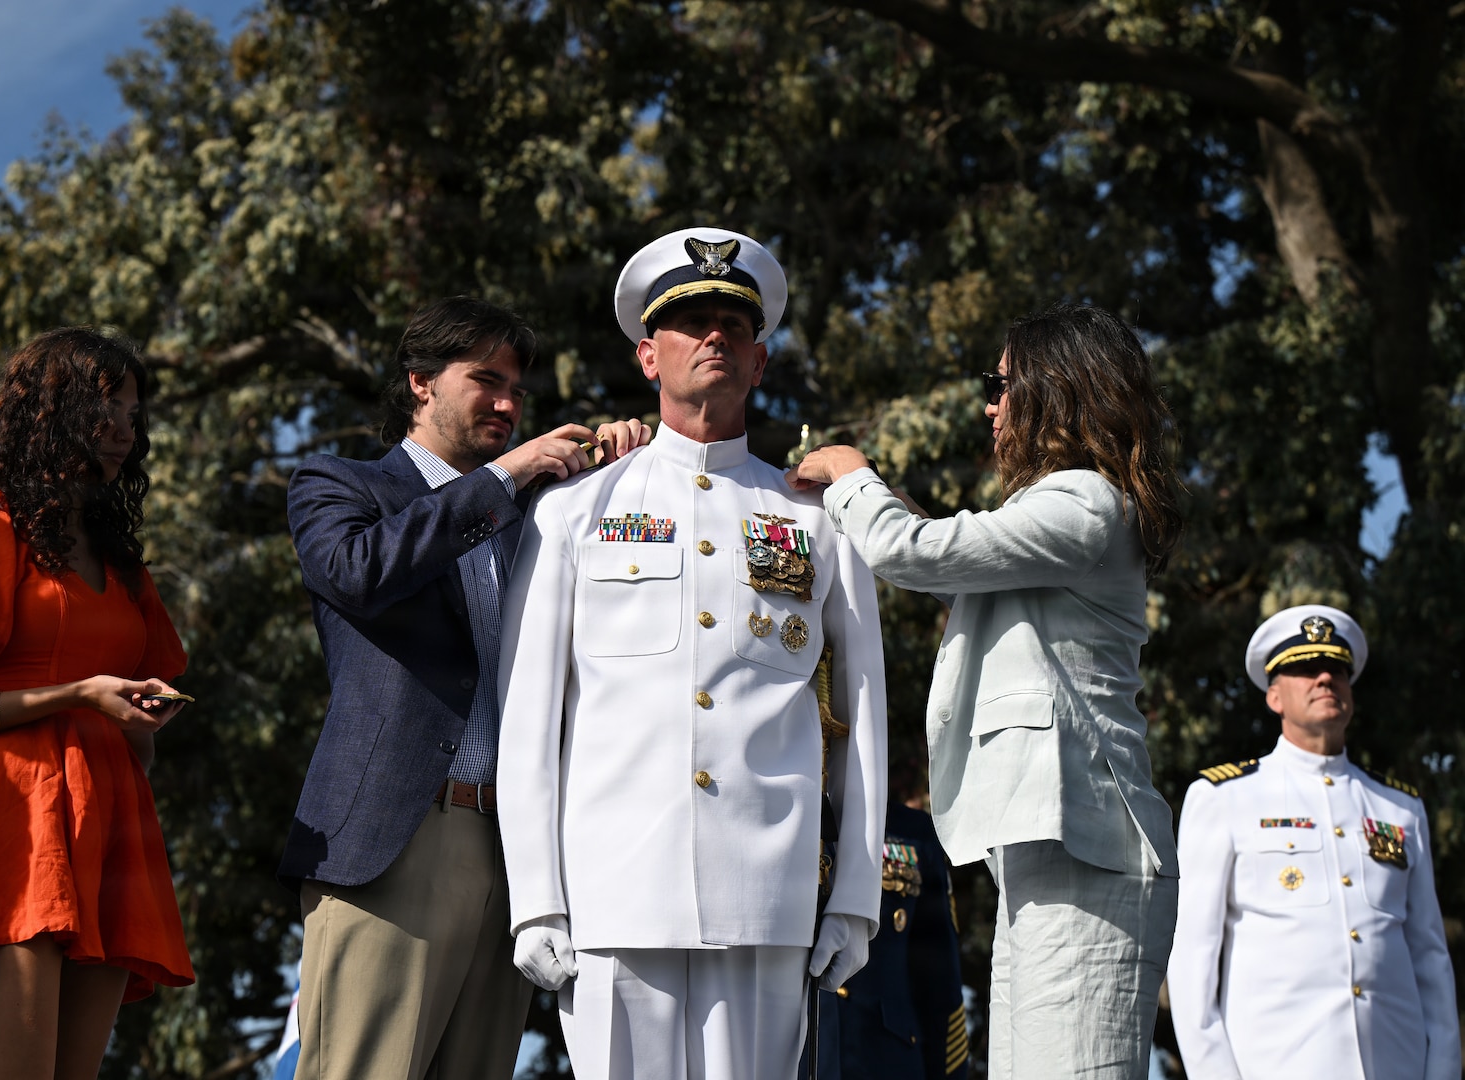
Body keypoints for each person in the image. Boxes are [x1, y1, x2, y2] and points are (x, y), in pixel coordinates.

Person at [497, 227, 888, 1080]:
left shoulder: (819, 521)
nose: (715, 336)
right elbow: (531, 717)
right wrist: (537, 900)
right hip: (612, 892)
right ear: (648, 356)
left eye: (734, 326)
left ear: (761, 362)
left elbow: (861, 723)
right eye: (690, 322)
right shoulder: (577, 509)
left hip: (770, 894)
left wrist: (855, 900)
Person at [787, 302, 1184, 1080]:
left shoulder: (1084, 499)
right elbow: (953, 558)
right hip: (1059, 855)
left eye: (1001, 384)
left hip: (1089, 856)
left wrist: (849, 473)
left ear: (1055, 390)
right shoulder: (1065, 508)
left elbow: (917, 552)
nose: (989, 404)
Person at [278, 295, 649, 1080]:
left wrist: (623, 480)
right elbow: (360, 572)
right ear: (420, 381)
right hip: (398, 839)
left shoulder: (535, 518)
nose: (510, 404)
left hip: (518, 851)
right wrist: (511, 474)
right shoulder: (337, 483)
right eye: (487, 380)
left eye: (518, 386)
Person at [0, 326, 194, 1079]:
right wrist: (78, 693)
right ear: (48, 412)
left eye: (131, 410)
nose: (123, 429)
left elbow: (134, 734)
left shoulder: (122, 564)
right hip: (11, 818)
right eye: (103, 407)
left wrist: (142, 720)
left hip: (112, 821)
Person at [1166, 604, 1460, 1079]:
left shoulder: (1399, 809)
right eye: (1306, 669)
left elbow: (1430, 956)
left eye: (1337, 669)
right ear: (1274, 696)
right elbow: (1192, 959)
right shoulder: (1225, 797)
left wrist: (1443, 1070)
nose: (1325, 678)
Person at [799, 801, 970, 1080]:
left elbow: (940, 977)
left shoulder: (913, 831)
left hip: (886, 1059)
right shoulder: (778, 814)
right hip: (794, 1052)